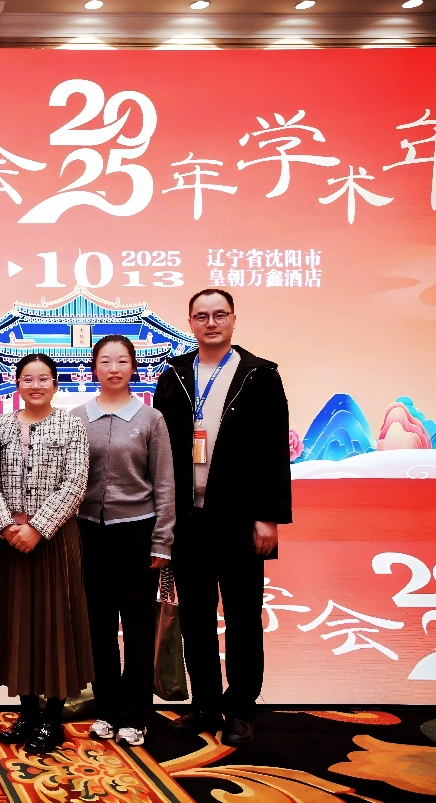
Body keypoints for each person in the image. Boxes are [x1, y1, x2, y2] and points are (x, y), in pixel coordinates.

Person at [153, 289, 291, 747]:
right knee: (195, 619)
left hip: (240, 518)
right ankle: (206, 705)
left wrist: (268, 516)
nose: (210, 323)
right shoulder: (173, 375)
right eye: (201, 316)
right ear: (190, 323)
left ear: (233, 320)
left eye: (219, 315)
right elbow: (160, 451)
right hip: (187, 519)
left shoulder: (259, 376)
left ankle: (242, 708)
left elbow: (274, 450)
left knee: (243, 617)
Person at [69, 335, 175, 747]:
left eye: (122, 361)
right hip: (89, 533)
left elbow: (164, 482)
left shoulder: (151, 419)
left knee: (137, 627)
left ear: (133, 367)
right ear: (93, 367)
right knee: (97, 627)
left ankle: (135, 715)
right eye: (105, 361)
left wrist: (162, 540)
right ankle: (106, 710)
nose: (113, 368)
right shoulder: (77, 417)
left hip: (137, 532)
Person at [0, 353, 91, 754]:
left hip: (54, 540)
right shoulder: (0, 426)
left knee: (56, 624)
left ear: (55, 384)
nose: (35, 386)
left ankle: (52, 718)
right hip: (10, 540)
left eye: (43, 379)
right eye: (27, 379)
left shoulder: (71, 424)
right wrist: (5, 525)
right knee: (18, 625)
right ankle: (28, 712)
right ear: (17, 384)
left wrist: (38, 528)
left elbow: (76, 482)